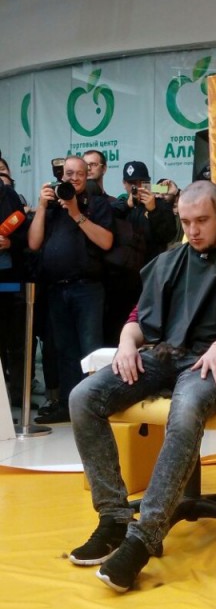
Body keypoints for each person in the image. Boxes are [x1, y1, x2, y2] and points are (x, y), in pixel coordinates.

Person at [68, 180, 216, 592]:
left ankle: (143, 538)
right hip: (162, 355)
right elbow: (138, 317)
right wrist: (127, 344)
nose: (193, 230)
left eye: (202, 220)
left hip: (214, 362)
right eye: (185, 222)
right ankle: (114, 518)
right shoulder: (169, 263)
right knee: (83, 397)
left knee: (184, 413)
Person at [28, 156, 114, 423]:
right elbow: (33, 243)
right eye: (68, 173)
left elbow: (107, 242)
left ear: (87, 176)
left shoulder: (97, 204)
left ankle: (95, 409)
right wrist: (42, 206)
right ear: (61, 175)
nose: (73, 178)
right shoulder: (52, 206)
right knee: (64, 351)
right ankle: (68, 406)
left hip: (87, 289)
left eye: (79, 174)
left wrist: (76, 213)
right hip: (56, 289)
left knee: (91, 351)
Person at [103, 161, 177, 345]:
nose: (136, 188)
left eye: (141, 183)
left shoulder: (160, 205)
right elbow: (105, 219)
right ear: (124, 184)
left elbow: (167, 234)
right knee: (118, 331)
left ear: (148, 183)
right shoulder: (120, 205)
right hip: (122, 281)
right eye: (131, 183)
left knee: (149, 330)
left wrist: (153, 209)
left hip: (151, 278)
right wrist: (127, 205)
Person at [0, 168, 31, 411]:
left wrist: (10, 242)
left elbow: (27, 236)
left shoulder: (9, 195)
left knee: (15, 340)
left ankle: (19, 395)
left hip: (8, 280)